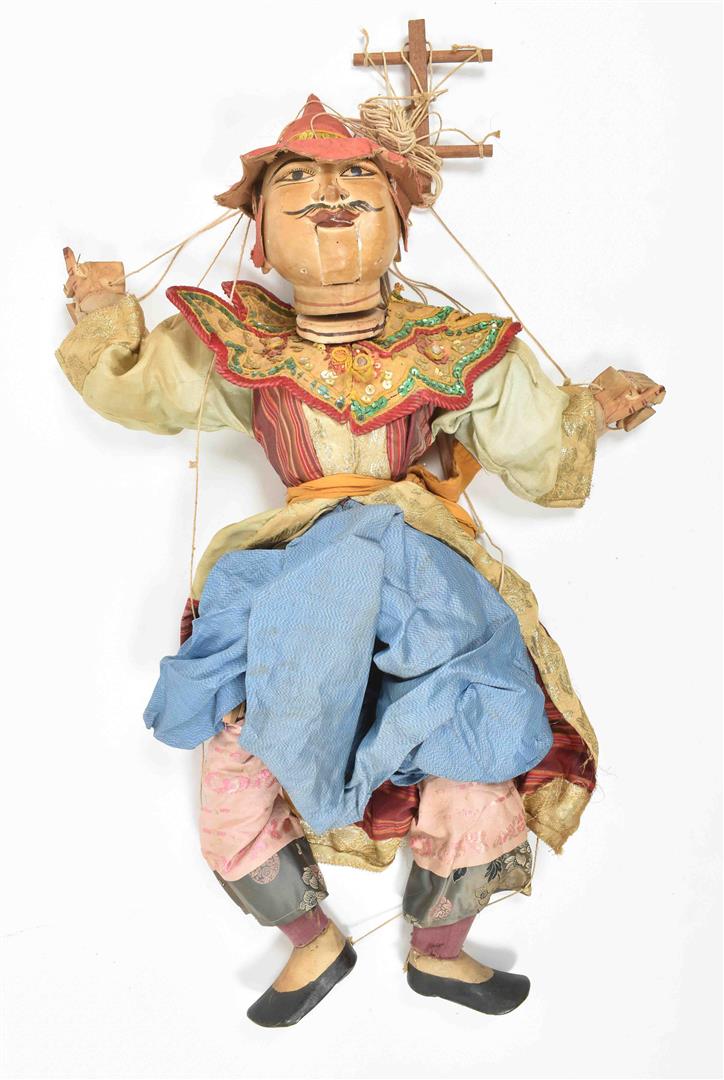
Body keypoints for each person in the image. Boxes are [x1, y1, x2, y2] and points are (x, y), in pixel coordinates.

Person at [56, 95, 664, 1026]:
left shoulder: (448, 346)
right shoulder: (241, 343)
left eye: (358, 177)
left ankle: (440, 949)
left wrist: (592, 409)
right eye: (296, 178)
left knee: (470, 723)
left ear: (400, 220)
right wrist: (103, 308)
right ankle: (309, 938)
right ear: (259, 232)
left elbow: (535, 444)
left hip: (421, 571)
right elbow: (138, 387)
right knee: (240, 733)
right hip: (292, 566)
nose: (328, 194)